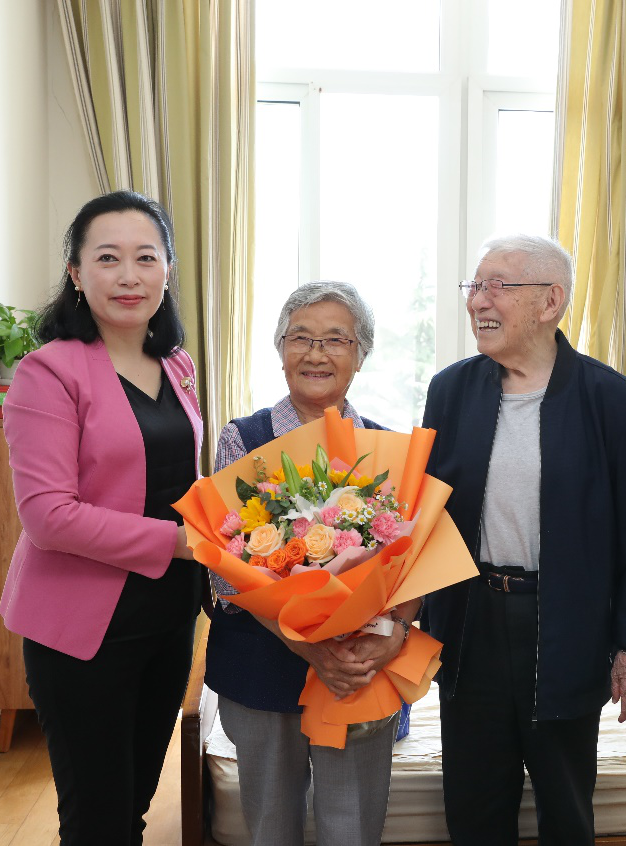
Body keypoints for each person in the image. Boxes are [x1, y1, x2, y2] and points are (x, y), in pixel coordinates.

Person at [420, 234, 626, 845]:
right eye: (474, 285)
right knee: (474, 808)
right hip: (472, 619)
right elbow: (425, 517)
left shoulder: (615, 401)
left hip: (565, 625)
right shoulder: (450, 391)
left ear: (550, 302)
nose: (478, 300)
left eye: (497, 285)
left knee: (565, 807)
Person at [0, 190, 203, 845]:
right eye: (108, 258)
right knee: (97, 823)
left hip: (168, 616)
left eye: (146, 258)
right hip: (83, 631)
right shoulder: (46, 373)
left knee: (133, 807)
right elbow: (49, 516)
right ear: (76, 273)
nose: (128, 276)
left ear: (167, 269)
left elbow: (177, 478)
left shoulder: (175, 364)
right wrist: (180, 542)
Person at [206, 280, 420, 846]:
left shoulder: (387, 448)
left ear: (360, 355)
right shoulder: (243, 439)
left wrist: (394, 634)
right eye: (300, 337)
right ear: (280, 350)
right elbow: (225, 572)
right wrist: (310, 649)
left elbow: (413, 565)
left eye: (335, 340)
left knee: (353, 830)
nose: (316, 353)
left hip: (358, 667)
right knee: (271, 830)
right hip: (261, 664)